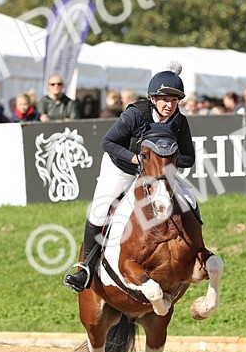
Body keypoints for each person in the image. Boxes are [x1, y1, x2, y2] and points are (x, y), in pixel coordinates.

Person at [63, 63, 196, 293]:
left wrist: (168, 160)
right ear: (153, 99)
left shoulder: (179, 121)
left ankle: (195, 254)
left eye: (174, 100)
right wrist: (134, 158)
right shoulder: (135, 114)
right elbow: (107, 142)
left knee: (190, 200)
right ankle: (85, 268)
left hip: (156, 174)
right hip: (122, 168)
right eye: (164, 100)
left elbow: (189, 158)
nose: (169, 105)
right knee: (99, 211)